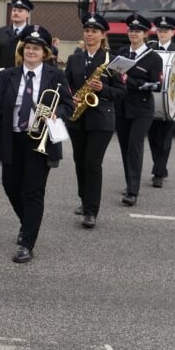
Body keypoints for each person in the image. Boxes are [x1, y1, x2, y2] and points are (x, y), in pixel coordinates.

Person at [0, 25, 73, 263]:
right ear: (22, 50)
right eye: (28, 48)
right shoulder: (7, 76)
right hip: (12, 137)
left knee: (33, 191)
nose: (31, 51)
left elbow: (68, 105)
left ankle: (27, 242)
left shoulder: (56, 76)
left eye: (37, 48)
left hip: (39, 139)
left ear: (45, 53)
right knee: (11, 185)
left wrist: (57, 114)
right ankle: (28, 223)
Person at [64, 13, 124, 229]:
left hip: (101, 119)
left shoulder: (114, 61)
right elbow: (66, 85)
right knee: (79, 161)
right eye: (87, 31)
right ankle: (84, 200)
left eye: (94, 31)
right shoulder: (74, 59)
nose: (90, 34)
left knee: (92, 163)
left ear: (102, 35)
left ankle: (91, 211)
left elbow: (122, 92)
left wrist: (103, 88)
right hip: (77, 118)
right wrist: (70, 97)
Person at [114, 14, 164, 207]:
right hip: (122, 106)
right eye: (131, 30)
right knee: (125, 147)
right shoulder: (122, 53)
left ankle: (133, 191)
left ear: (145, 34)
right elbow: (115, 78)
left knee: (135, 146)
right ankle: (130, 183)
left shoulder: (153, 58)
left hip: (142, 108)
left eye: (138, 31)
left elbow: (156, 85)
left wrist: (130, 81)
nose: (133, 33)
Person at [147, 15, 175, 188]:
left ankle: (158, 174)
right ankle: (161, 167)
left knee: (165, 137)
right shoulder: (150, 48)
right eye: (160, 30)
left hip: (173, 99)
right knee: (153, 137)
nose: (162, 33)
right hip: (153, 100)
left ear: (173, 32)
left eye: (166, 31)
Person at [0, 0, 33, 69]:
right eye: (14, 10)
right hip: (4, 74)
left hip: (23, 74)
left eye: (20, 11)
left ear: (27, 14)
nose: (16, 13)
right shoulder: (1, 32)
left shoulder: (31, 33)